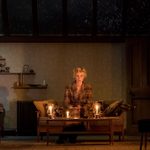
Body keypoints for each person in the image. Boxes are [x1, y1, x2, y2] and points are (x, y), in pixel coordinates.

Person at [57, 67, 93, 144]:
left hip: (83, 112)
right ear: (74, 76)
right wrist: (72, 107)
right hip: (71, 111)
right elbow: (66, 102)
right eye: (77, 75)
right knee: (72, 120)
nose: (79, 78)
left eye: (81, 76)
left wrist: (82, 107)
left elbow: (89, 102)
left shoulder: (88, 87)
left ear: (84, 76)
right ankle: (71, 138)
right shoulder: (69, 87)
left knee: (82, 123)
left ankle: (63, 138)